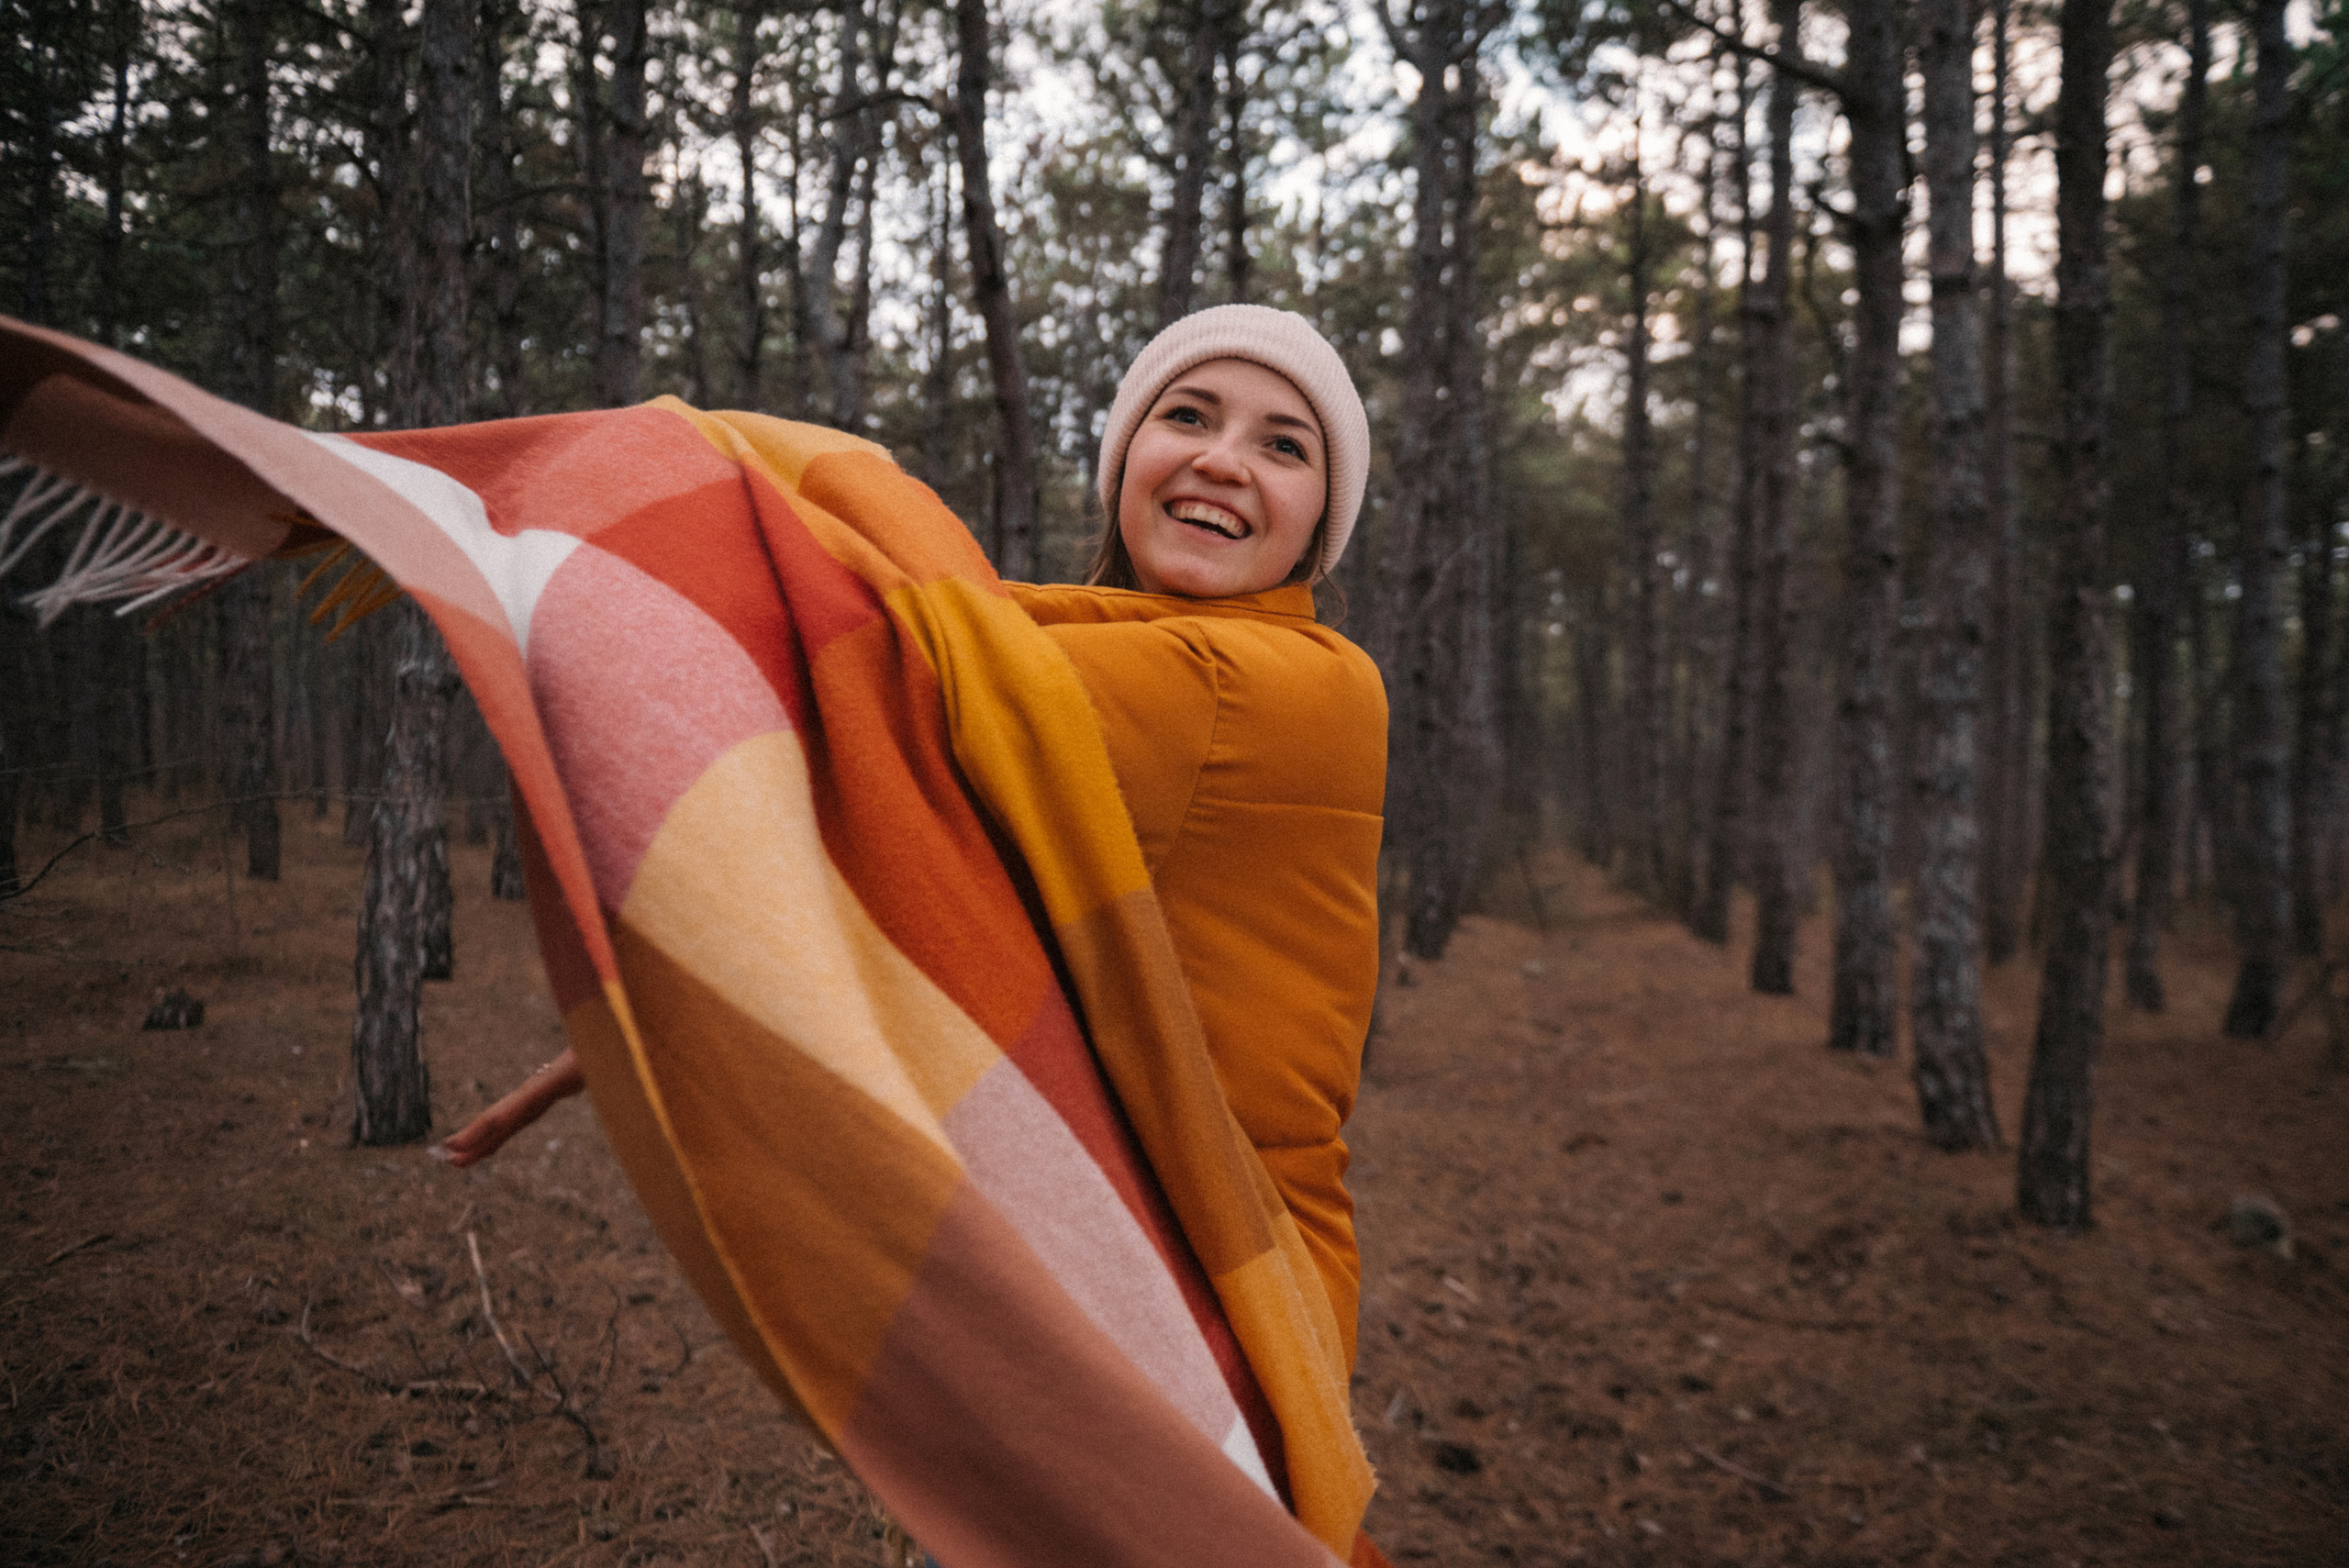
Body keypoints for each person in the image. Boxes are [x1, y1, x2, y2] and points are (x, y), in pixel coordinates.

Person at [444, 304, 1386, 1373]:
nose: (1222, 460)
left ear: (1319, 524)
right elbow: (912, 892)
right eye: (1188, 415)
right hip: (1092, 1269)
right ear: (1129, 458)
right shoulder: (1068, 667)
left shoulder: (1283, 686)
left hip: (1214, 1305)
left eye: (1283, 444)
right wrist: (642, 1021)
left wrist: (659, 479)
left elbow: (888, 668)